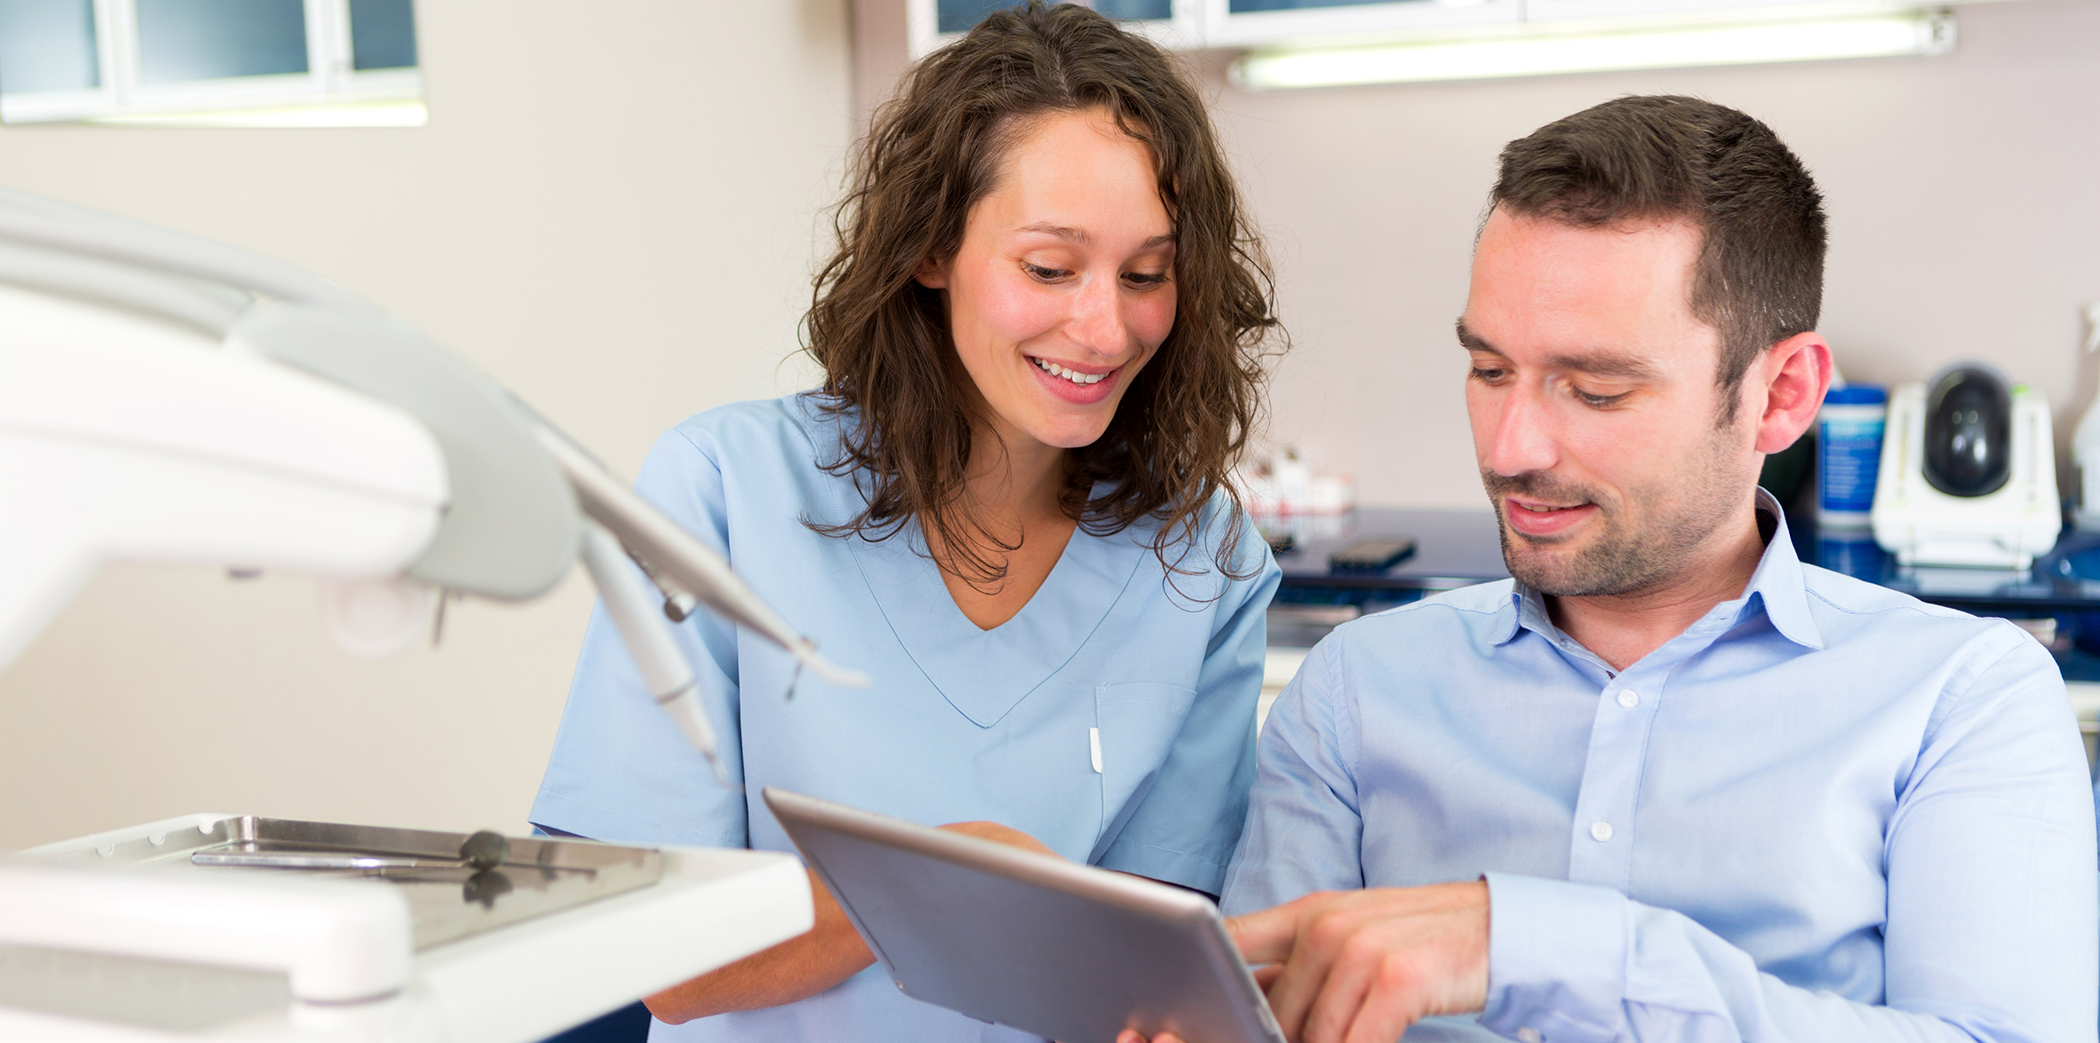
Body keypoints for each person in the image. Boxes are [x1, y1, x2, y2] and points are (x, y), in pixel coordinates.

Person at [1141, 96, 2097, 1043]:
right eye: (1487, 370)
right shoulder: (1353, 696)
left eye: (1596, 389)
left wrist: (1533, 946)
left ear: (1782, 396)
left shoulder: (1961, 702)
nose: (1511, 447)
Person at [528, 4, 1283, 1041]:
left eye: (1147, 274)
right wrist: (956, 870)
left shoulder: (1208, 560)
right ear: (932, 247)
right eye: (1050, 268)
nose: (1107, 327)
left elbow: (1149, 970)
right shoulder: (721, 492)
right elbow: (653, 954)